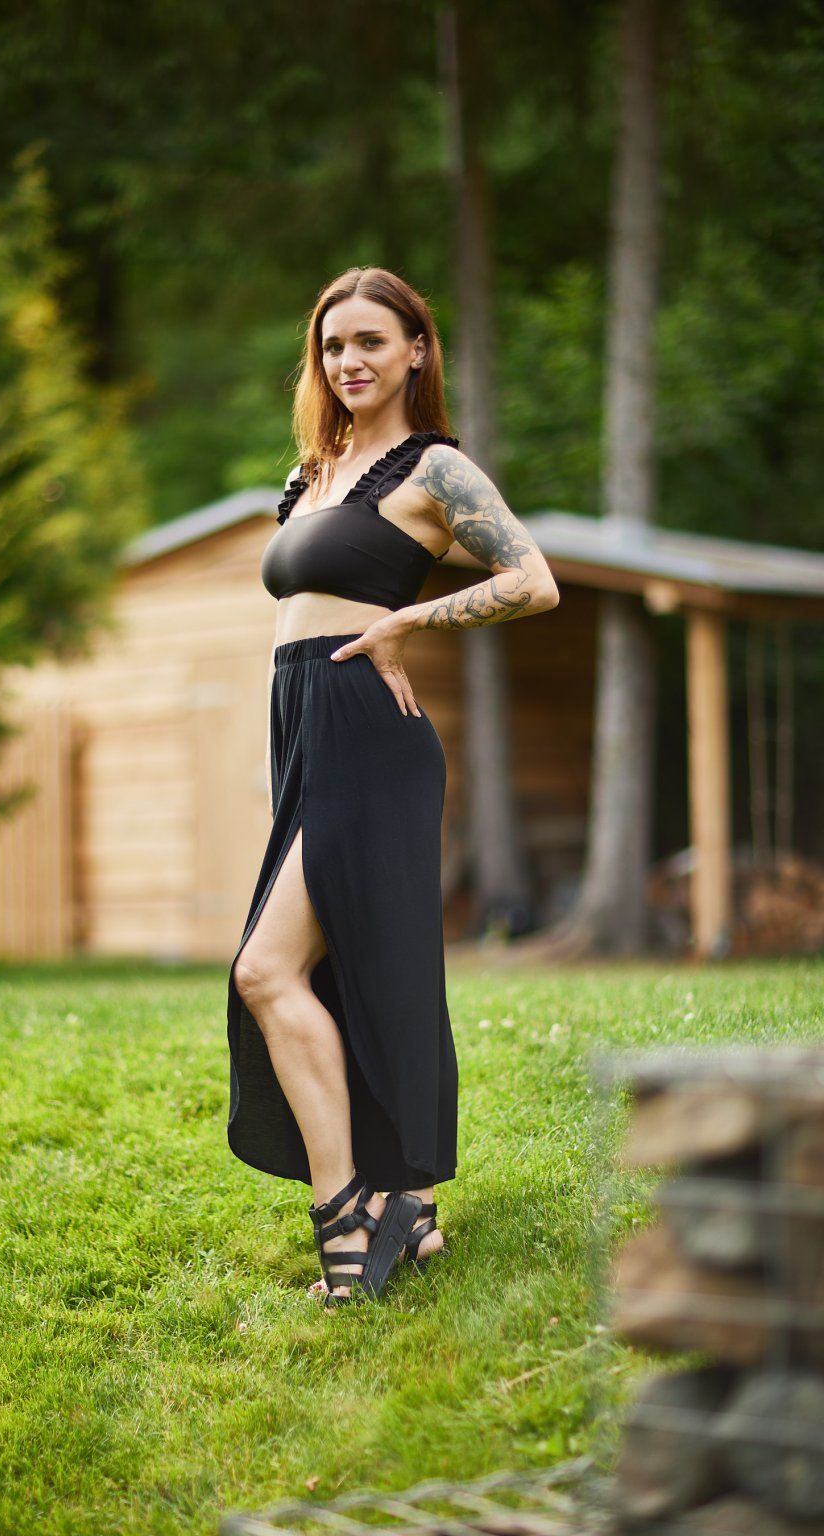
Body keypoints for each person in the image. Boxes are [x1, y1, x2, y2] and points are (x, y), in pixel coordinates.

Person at [226, 265, 559, 1308]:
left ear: (416, 350)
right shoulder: (309, 473)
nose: (348, 361)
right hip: (306, 733)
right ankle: (397, 1209)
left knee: (269, 970)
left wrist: (410, 620)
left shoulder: (437, 470)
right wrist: (282, 744)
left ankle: (348, 1219)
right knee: (334, 973)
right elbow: (293, 621)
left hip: (373, 736)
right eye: (332, 345)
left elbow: (534, 580)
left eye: (370, 341)